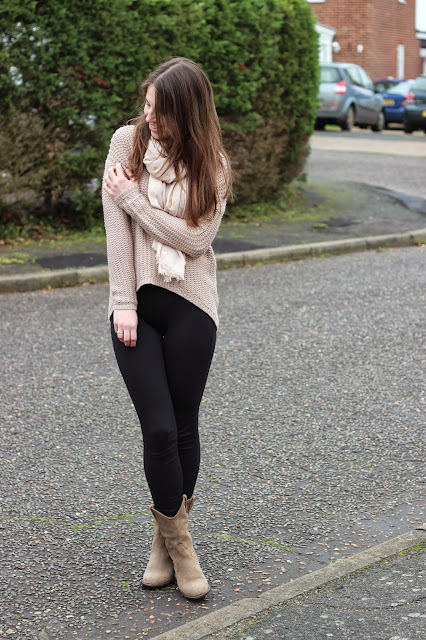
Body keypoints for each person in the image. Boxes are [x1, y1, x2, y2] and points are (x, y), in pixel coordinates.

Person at [102, 57, 232, 600]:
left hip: (192, 305)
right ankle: (183, 548)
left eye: (160, 111)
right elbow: (117, 232)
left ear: (188, 113)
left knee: (181, 426)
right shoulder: (126, 143)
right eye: (147, 105)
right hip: (135, 307)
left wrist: (132, 198)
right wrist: (122, 302)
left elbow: (195, 240)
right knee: (156, 429)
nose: (149, 118)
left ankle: (167, 540)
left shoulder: (213, 165)